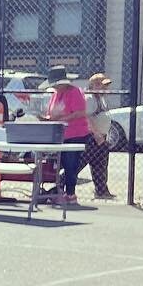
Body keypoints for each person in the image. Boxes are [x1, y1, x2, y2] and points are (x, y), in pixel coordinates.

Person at [44, 65, 89, 204]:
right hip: (59, 135)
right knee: (61, 164)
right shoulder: (56, 95)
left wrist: (61, 119)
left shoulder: (75, 92)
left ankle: (71, 194)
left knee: (71, 164)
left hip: (75, 134)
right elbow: (51, 113)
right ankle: (60, 191)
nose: (55, 87)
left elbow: (80, 112)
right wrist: (47, 119)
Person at [84, 73, 116, 199]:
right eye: (103, 86)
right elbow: (86, 117)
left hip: (101, 137)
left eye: (106, 86)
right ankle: (61, 184)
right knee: (80, 164)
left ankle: (101, 190)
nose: (106, 89)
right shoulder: (90, 99)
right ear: (94, 85)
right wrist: (96, 134)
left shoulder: (101, 98)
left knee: (100, 165)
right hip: (92, 137)